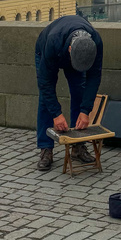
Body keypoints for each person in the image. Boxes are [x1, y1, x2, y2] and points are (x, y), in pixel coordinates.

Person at [34, 15, 103, 172]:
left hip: (72, 51)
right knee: (45, 101)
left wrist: (85, 111)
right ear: (71, 50)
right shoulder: (53, 41)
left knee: (80, 91)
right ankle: (46, 149)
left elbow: (94, 78)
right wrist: (57, 114)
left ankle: (78, 147)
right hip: (45, 52)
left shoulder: (96, 42)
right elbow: (46, 84)